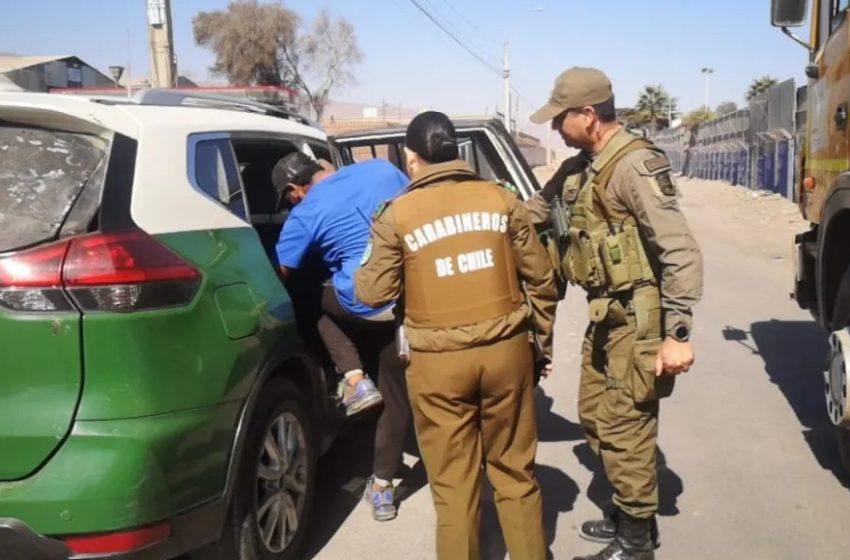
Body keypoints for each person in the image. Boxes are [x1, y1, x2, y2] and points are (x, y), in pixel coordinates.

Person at [355, 111, 559, 560]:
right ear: (456, 150)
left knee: (453, 486)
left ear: (412, 158)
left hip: (437, 366)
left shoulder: (396, 215)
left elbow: (371, 292)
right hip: (506, 352)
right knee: (516, 476)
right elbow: (543, 279)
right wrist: (539, 343)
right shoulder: (502, 200)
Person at [526, 67, 704, 560]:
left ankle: (636, 543)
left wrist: (678, 332)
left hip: (641, 319)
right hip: (606, 317)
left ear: (588, 115)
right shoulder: (583, 165)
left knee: (626, 429)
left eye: (561, 119)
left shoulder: (632, 165)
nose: (555, 129)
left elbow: (679, 251)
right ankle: (631, 516)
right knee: (595, 419)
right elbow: (535, 211)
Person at [273, 152, 411, 520]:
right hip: (407, 300)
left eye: (287, 199)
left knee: (305, 289)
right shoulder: (382, 169)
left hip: (361, 303)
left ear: (294, 191)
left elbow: (281, 275)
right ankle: (383, 488)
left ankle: (353, 379)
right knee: (396, 398)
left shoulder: (303, 213)